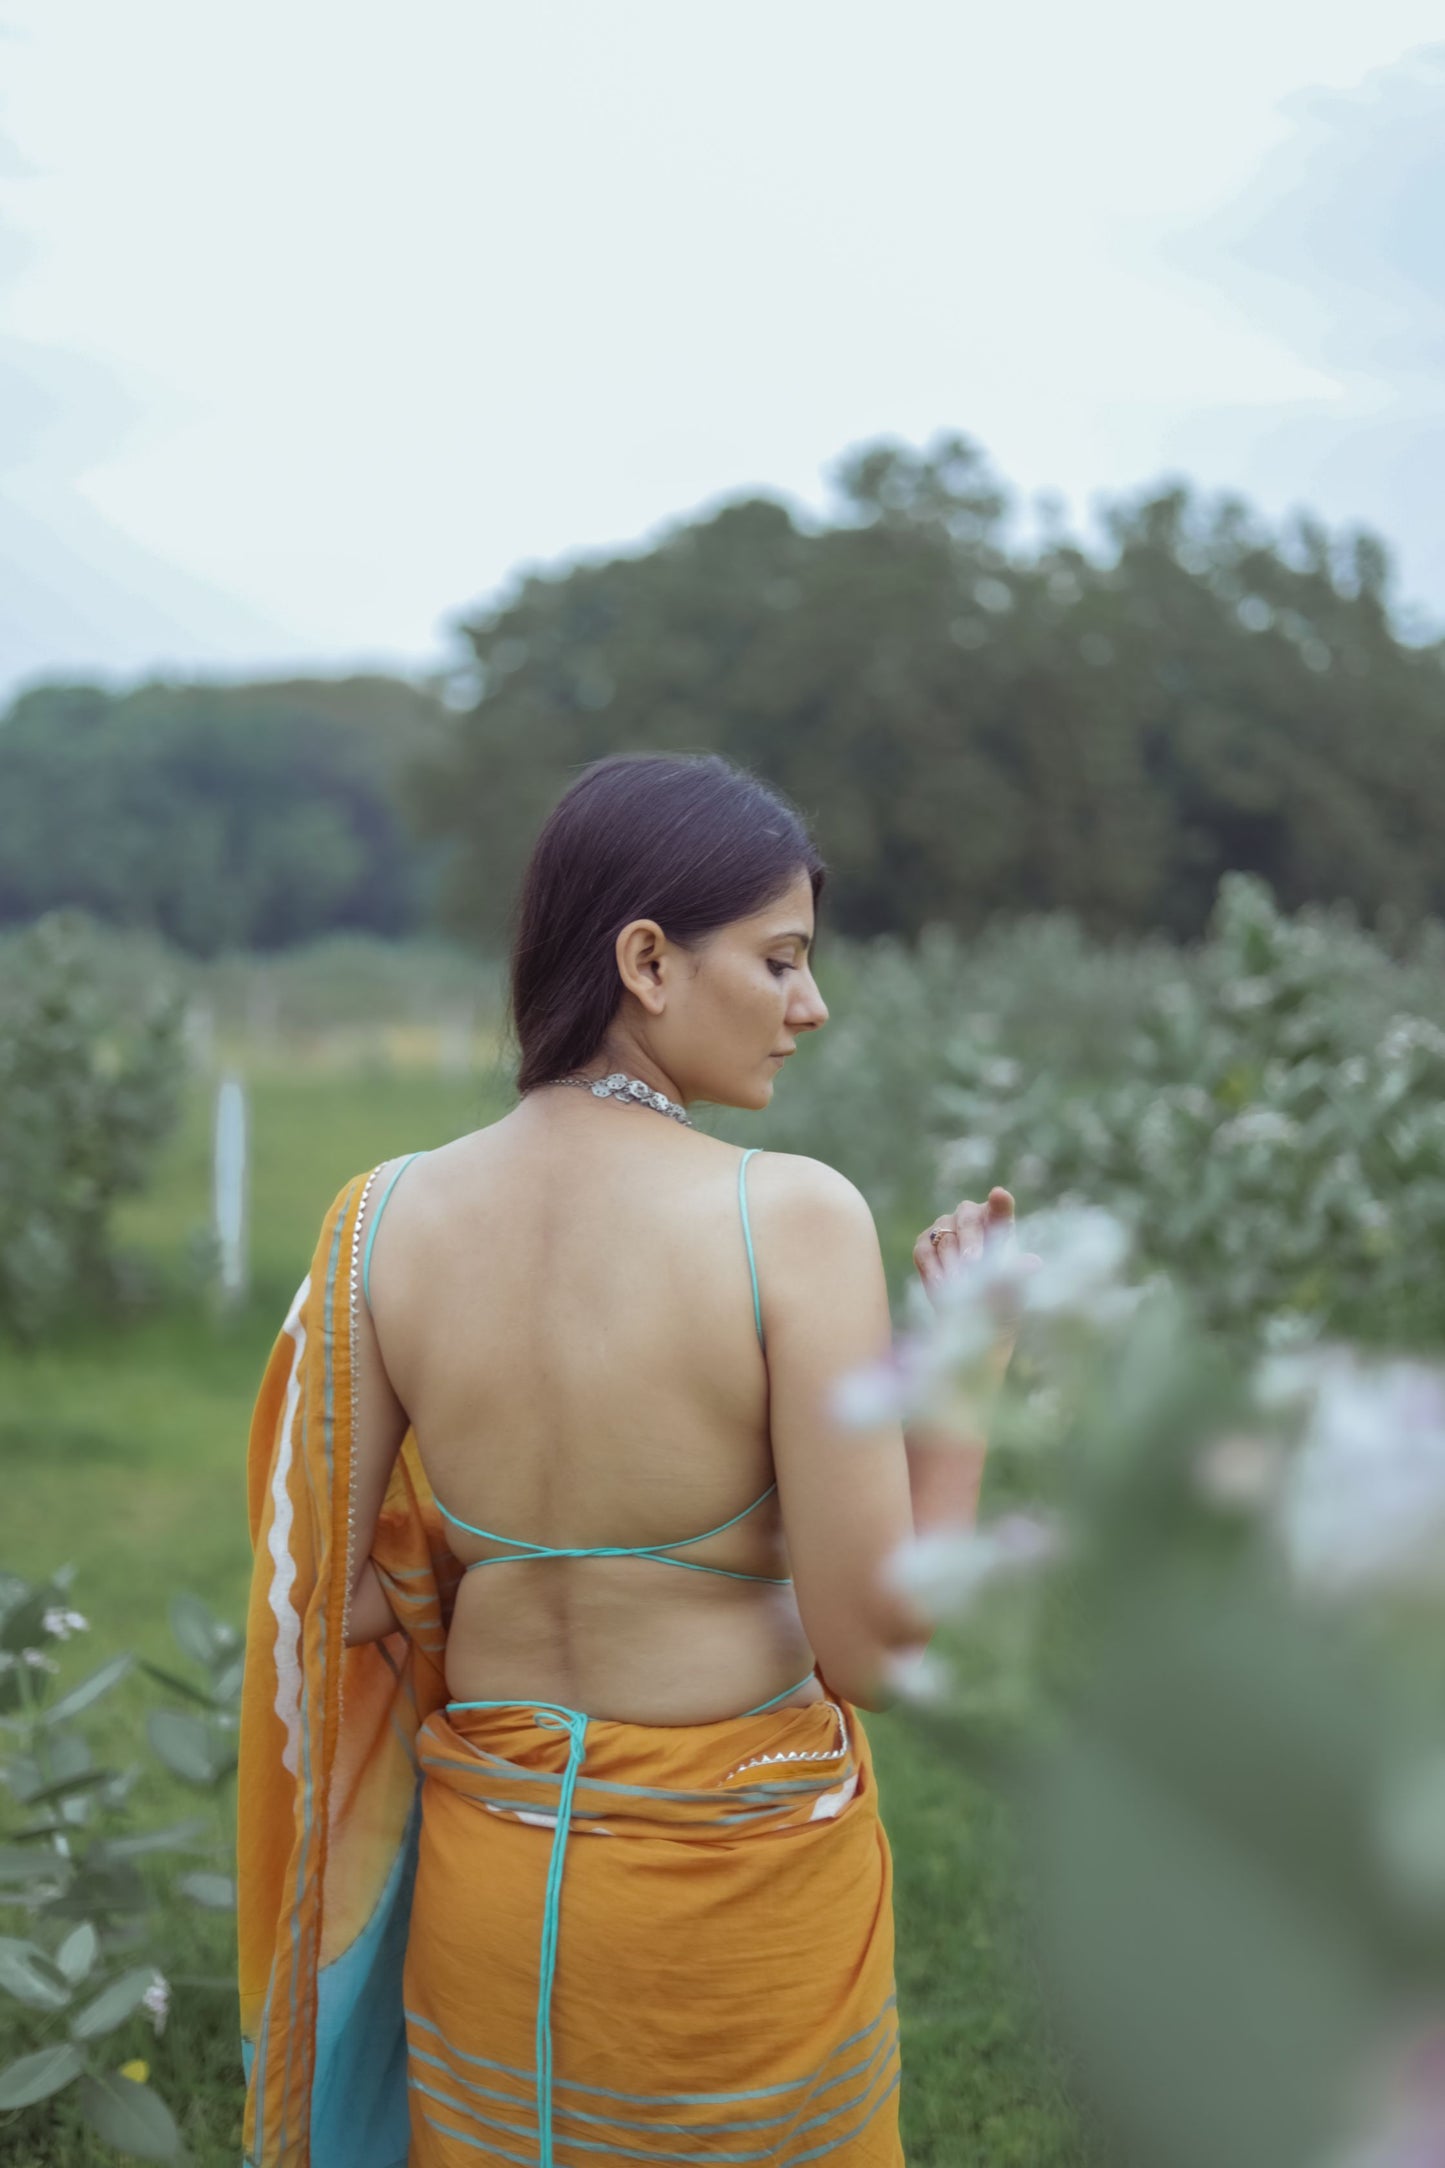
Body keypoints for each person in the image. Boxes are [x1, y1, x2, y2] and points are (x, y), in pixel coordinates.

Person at [236, 751, 1028, 2168]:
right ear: (647, 961)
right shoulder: (787, 1220)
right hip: (726, 1918)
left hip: (493, 1895)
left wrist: (502, 1583)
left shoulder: (378, 1223)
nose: (811, 1007)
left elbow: (328, 1599)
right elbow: (879, 1653)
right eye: (780, 961)